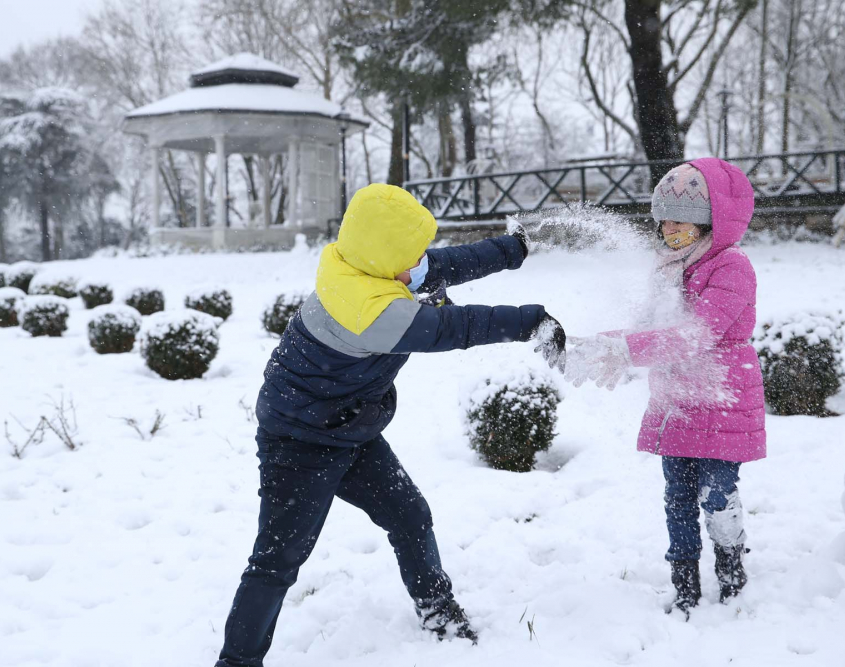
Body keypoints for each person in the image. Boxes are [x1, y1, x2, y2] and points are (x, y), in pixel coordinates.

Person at [215, 183, 566, 667]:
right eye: (412, 253)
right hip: (298, 442)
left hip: (348, 425)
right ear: (384, 255)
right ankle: (236, 662)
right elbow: (453, 327)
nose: (420, 261)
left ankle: (437, 610)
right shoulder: (372, 310)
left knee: (409, 516)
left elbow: (440, 267)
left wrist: (513, 248)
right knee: (276, 563)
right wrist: (532, 322)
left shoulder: (355, 259)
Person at [566, 159, 766, 617]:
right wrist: (606, 345)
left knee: (717, 495)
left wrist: (630, 351)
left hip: (722, 399)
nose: (670, 228)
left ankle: (732, 569)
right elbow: (648, 328)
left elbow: (697, 333)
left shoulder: (732, 267)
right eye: (665, 218)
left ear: (712, 220)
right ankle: (685, 579)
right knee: (677, 496)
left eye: (682, 219)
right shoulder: (666, 268)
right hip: (675, 400)